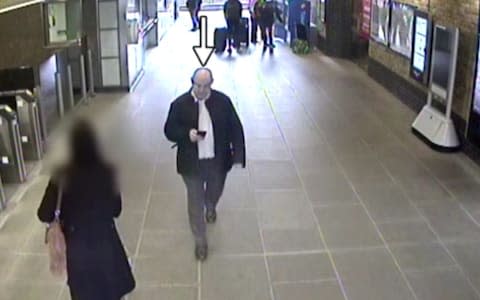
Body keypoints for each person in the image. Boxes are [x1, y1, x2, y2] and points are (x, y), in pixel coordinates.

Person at [37, 120, 135, 300]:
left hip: (77, 248)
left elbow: (43, 213)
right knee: (109, 290)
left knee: (84, 292)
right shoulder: (106, 171)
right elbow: (116, 210)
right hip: (106, 243)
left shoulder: (61, 175)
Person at [164, 68, 246, 261]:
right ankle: (200, 240)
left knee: (215, 190)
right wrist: (186, 134)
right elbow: (169, 130)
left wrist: (238, 155)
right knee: (195, 201)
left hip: (217, 161)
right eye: (197, 85)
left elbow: (236, 127)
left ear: (211, 84)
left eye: (204, 86)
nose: (200, 90)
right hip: (191, 163)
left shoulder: (223, 102)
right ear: (192, 82)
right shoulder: (179, 104)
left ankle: (210, 205)